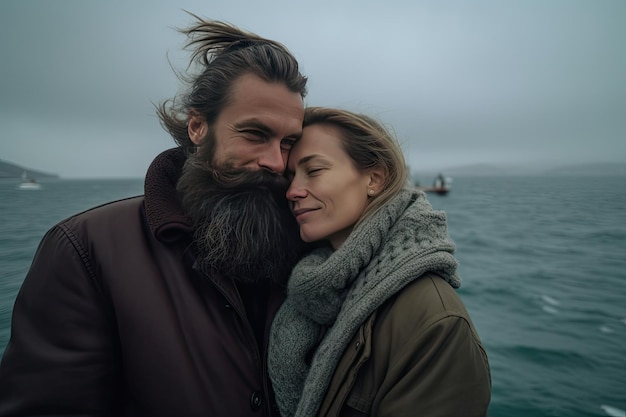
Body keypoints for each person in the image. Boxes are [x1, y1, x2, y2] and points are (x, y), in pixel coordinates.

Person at [0, 14, 309, 417]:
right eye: (255, 134)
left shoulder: (310, 240)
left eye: (289, 143)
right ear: (198, 127)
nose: (275, 161)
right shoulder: (86, 250)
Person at [268, 107, 491, 417]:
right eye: (290, 177)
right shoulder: (301, 289)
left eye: (314, 170)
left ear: (374, 179)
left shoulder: (436, 323)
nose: (292, 191)